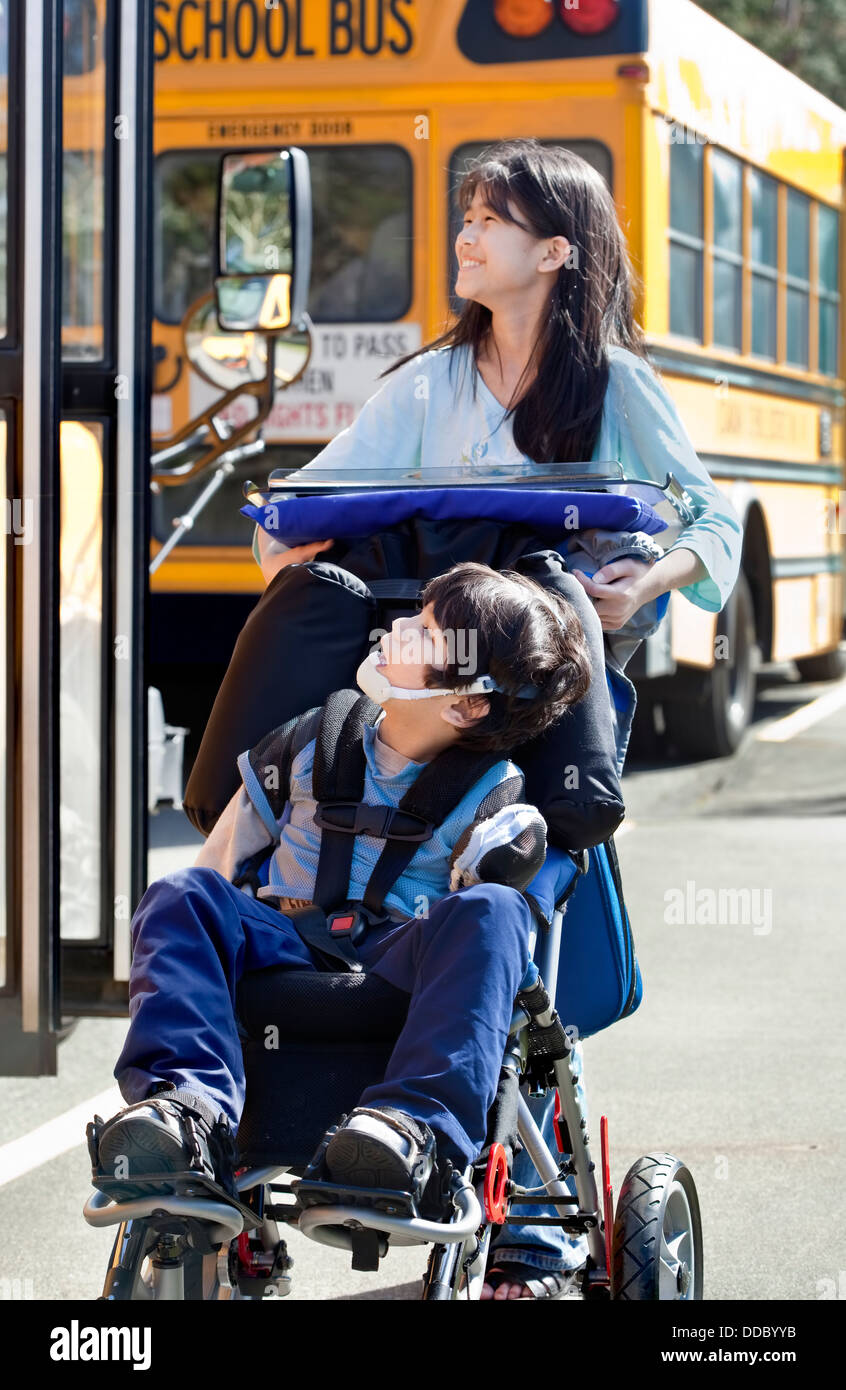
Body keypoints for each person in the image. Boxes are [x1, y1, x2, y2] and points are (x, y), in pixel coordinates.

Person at [246, 138, 744, 1297]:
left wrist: (652, 577)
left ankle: (522, 1176)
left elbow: (713, 523)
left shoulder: (616, 388)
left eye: (488, 217)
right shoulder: (425, 384)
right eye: (465, 214)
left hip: (546, 701)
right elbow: (315, 498)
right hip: (421, 690)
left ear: (556, 251)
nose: (463, 234)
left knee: (517, 891)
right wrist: (294, 534)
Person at [88, 562, 593, 1230]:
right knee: (183, 893)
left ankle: (416, 1129)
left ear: (466, 703)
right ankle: (186, 1108)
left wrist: (500, 862)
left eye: (426, 633)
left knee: (495, 910)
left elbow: (478, 930)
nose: (397, 627)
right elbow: (219, 863)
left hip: (395, 965)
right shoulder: (312, 740)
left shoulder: (495, 795)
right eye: (416, 612)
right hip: (282, 942)